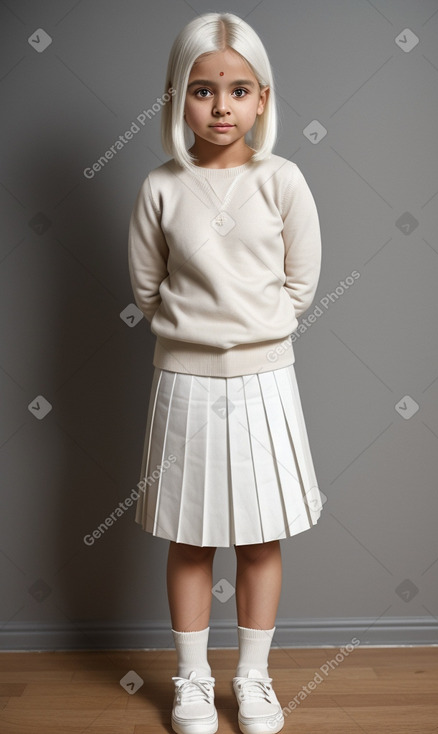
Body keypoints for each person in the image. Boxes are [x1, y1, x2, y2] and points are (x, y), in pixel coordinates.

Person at [128, 11, 324, 734]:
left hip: (266, 382)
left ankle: (252, 679)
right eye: (204, 91)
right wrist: (197, 339)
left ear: (262, 99)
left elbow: (301, 285)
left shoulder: (283, 180)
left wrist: (250, 339)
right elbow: (146, 289)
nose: (221, 106)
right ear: (178, 97)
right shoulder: (160, 187)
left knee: (259, 535)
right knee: (189, 535)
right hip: (182, 382)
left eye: (238, 90)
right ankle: (190, 683)